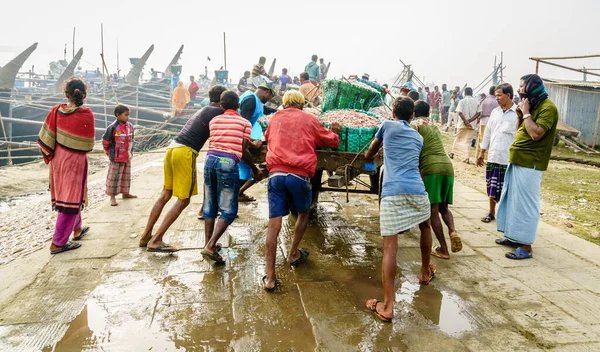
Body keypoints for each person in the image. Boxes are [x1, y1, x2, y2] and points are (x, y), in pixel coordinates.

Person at [364, 97, 436, 322]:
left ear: (393, 112)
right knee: (425, 226)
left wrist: (369, 156)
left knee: (390, 247)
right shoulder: (418, 136)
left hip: (393, 191)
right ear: (412, 115)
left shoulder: (386, 126)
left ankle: (387, 306)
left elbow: (371, 152)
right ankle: (425, 272)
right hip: (417, 190)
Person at [262, 91, 341, 290]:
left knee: (274, 226)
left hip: (276, 175)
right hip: (299, 176)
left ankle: (270, 278)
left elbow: (267, 137)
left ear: (284, 104)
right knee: (304, 213)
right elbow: (331, 141)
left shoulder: (275, 118)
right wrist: (335, 131)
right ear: (302, 105)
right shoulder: (310, 119)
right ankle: (293, 253)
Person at [139, 86, 228, 252]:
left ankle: (146, 235)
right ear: (222, 100)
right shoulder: (217, 112)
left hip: (173, 148)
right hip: (185, 152)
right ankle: (156, 239)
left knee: (165, 194)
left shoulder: (204, 109)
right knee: (184, 199)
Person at [495, 74, 558, 260]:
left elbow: (536, 134)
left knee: (526, 204)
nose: (520, 90)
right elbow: (521, 130)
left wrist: (527, 113)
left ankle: (526, 246)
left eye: (522, 86)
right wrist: (521, 116)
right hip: (518, 160)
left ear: (531, 88)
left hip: (531, 163)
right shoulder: (531, 105)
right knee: (512, 201)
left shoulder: (548, 108)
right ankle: (513, 236)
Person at [200, 91, 261, 264]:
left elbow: (223, 138)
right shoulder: (244, 122)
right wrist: (254, 167)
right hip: (228, 162)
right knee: (229, 210)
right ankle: (210, 246)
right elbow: (242, 149)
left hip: (210, 160)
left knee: (210, 205)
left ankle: (208, 243)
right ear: (239, 105)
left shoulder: (214, 120)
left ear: (221, 105)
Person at [37, 77, 95, 255]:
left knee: (70, 196)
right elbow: (88, 144)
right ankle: (58, 243)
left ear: (66, 94)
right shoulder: (86, 114)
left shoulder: (56, 111)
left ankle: (77, 230)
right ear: (84, 95)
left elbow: (45, 138)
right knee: (70, 200)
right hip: (75, 161)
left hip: (58, 159)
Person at [412, 101, 462, 260]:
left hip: (431, 168)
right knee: (443, 208)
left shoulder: (415, 125)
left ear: (413, 113)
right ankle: (452, 231)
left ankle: (443, 249)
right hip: (447, 166)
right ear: (428, 113)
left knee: (433, 210)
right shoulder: (434, 125)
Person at [476, 83, 518, 224]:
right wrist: (482, 152)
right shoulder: (495, 112)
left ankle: (505, 215)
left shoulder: (517, 113)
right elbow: (487, 133)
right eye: (496, 95)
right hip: (494, 155)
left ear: (508, 95)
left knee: (507, 189)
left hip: (508, 159)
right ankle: (491, 212)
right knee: (492, 186)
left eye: (499, 95)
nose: (497, 98)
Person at [238, 82, 278, 202]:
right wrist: (251, 142)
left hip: (249, 138)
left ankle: (238, 193)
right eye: (270, 97)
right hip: (243, 140)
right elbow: (242, 124)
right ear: (267, 92)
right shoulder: (250, 100)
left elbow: (266, 109)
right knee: (249, 169)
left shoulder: (257, 101)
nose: (270, 99)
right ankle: (234, 197)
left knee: (247, 171)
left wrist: (280, 111)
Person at [102, 104, 136, 207]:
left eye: (128, 115)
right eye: (125, 115)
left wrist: (130, 152)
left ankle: (125, 193)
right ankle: (112, 197)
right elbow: (105, 142)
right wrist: (109, 153)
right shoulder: (112, 128)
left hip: (127, 156)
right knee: (114, 177)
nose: (127, 117)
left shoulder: (130, 127)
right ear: (118, 115)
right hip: (116, 157)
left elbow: (131, 141)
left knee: (126, 176)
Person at [449, 87, 481, 163]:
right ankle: (467, 157)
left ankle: (453, 153)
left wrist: (466, 121)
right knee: (468, 141)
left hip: (462, 123)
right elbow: (478, 113)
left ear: (465, 93)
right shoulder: (476, 102)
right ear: (472, 93)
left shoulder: (462, 101)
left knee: (458, 138)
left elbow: (459, 112)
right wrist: (469, 121)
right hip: (472, 124)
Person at [476, 86, 500, 157]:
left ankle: (479, 154)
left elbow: (479, 111)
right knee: (491, 138)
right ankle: (487, 155)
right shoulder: (497, 101)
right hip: (492, 121)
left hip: (483, 120)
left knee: (481, 137)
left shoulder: (483, 100)